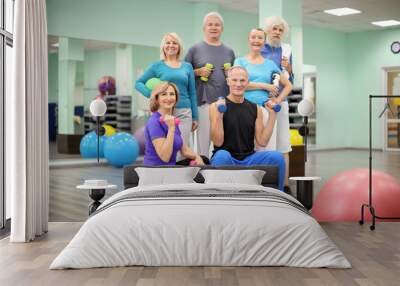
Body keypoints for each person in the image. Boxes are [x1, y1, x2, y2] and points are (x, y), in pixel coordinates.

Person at [209, 66, 285, 191]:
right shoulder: (216, 106)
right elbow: (217, 142)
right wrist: (219, 116)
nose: (238, 84)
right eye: (234, 80)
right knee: (221, 155)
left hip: (249, 158)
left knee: (277, 157)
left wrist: (272, 115)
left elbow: (262, 141)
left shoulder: (255, 108)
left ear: (248, 83)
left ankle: (279, 199)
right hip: (227, 158)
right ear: (228, 81)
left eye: (242, 80)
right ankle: (221, 199)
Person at [135, 32, 198, 150]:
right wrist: (153, 95)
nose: (171, 45)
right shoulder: (157, 66)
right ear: (163, 46)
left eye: (174, 43)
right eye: (168, 43)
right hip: (164, 111)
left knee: (181, 147)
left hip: (184, 111)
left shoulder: (187, 66)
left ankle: (180, 168)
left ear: (179, 47)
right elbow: (138, 83)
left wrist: (195, 117)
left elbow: (192, 93)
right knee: (166, 148)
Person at [185, 11, 235, 157]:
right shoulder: (195, 49)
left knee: (224, 141)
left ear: (222, 28)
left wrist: (230, 75)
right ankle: (203, 172)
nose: (213, 27)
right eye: (210, 24)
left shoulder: (229, 51)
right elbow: (184, 73)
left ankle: (222, 171)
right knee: (203, 143)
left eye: (217, 25)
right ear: (204, 28)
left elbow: (235, 77)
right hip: (203, 101)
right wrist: (198, 72)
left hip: (225, 102)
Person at [234, 28, 292, 151]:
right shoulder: (240, 61)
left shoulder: (270, 64)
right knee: (246, 150)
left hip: (266, 109)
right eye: (253, 37)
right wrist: (265, 86)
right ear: (248, 40)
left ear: (264, 41)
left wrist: (278, 100)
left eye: (260, 38)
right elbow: (238, 85)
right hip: (244, 109)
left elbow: (288, 85)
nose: (256, 40)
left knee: (267, 149)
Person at [261, 16, 294, 193]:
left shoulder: (287, 50)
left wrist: (288, 68)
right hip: (263, 102)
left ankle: (285, 184)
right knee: (265, 143)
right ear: (267, 30)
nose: (277, 32)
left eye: (281, 30)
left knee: (283, 143)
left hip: (282, 101)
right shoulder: (261, 49)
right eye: (274, 28)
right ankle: (267, 184)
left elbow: (291, 79)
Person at [144, 82, 207, 166]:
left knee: (204, 160)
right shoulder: (154, 122)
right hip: (157, 171)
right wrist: (171, 128)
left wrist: (197, 157)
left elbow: (184, 150)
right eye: (164, 94)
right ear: (157, 99)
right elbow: (165, 157)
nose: (169, 98)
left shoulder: (172, 120)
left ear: (176, 98)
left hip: (171, 168)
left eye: (172, 94)